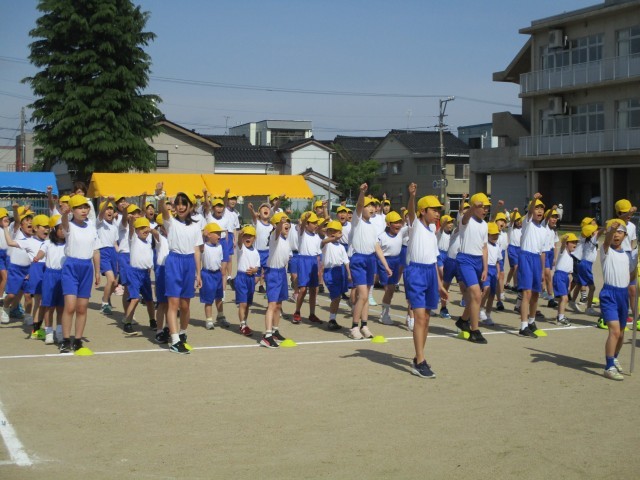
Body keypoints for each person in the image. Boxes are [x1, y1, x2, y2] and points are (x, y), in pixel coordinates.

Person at [405, 183, 447, 378]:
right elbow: (411, 212)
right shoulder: (414, 225)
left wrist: (440, 284)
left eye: (439, 210)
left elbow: (433, 259)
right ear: (423, 211)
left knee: (427, 318)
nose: (438, 213)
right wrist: (412, 196)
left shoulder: (432, 231)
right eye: (434, 210)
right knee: (420, 317)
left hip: (430, 273)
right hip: (415, 272)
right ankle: (420, 361)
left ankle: (418, 357)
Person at [155, 183, 203, 354]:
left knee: (185, 305)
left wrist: (198, 273)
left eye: (184, 203)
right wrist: (161, 197)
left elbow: (197, 250)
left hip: (189, 263)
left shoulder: (196, 226)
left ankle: (182, 334)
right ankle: (174, 340)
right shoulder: (171, 222)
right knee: (173, 303)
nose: (181, 207)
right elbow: (163, 210)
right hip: (174, 261)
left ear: (191, 206)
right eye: (178, 204)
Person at [348, 184, 392, 340]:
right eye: (368, 206)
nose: (371, 208)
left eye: (373, 205)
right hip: (358, 259)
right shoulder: (357, 220)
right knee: (363, 295)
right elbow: (359, 205)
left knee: (366, 295)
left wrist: (386, 266)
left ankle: (364, 325)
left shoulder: (373, 227)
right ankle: (354, 327)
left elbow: (377, 248)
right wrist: (362, 192)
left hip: (370, 259)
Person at [58, 196, 100, 353]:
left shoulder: (91, 227)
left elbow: (96, 250)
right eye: (79, 208)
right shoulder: (69, 225)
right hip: (71, 266)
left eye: (85, 207)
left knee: (82, 308)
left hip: (87, 267)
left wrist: (97, 271)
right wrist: (64, 214)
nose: (83, 210)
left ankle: (77, 340)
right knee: (70, 306)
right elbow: (64, 224)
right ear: (72, 210)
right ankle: (65, 340)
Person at [600, 218, 633, 381]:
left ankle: (614, 358)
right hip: (609, 294)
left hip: (623, 295)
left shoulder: (627, 256)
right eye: (614, 232)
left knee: (621, 333)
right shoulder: (606, 250)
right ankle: (609, 367)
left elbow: (630, 276)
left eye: (620, 232)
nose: (616, 235)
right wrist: (610, 230)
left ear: (625, 236)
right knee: (614, 330)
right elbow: (607, 240)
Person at [455, 192, 490, 344]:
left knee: (476, 296)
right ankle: (474, 330)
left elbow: (484, 247)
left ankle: (463, 321)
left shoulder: (485, 225)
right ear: (474, 207)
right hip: (465, 260)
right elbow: (465, 217)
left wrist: (485, 268)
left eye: (487, 207)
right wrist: (471, 208)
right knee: (476, 294)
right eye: (482, 207)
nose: (485, 210)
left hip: (478, 261)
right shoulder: (466, 221)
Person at [515, 194, 547, 338]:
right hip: (526, 257)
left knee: (535, 293)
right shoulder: (527, 222)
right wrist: (533, 200)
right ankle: (523, 325)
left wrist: (542, 271)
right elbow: (529, 211)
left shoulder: (544, 230)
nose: (539, 211)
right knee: (526, 292)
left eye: (541, 209)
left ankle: (532, 322)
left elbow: (542, 252)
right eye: (536, 208)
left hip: (536, 260)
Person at [261, 212, 293, 348]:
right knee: (272, 305)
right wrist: (280, 223)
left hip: (281, 272)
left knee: (279, 305)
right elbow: (278, 229)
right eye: (284, 222)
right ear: (276, 225)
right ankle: (267, 336)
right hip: (273, 273)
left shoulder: (286, 240)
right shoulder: (275, 236)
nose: (287, 224)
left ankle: (275, 331)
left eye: (288, 222)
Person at [34, 215, 66, 345]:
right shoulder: (47, 243)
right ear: (54, 229)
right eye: (61, 228)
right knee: (49, 306)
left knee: (61, 307)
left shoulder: (69, 244)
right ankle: (48, 332)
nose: (63, 231)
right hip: (50, 275)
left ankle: (59, 331)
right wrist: (37, 257)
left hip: (64, 275)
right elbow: (42, 252)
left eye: (65, 229)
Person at [123, 217, 155, 335]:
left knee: (149, 300)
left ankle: (152, 321)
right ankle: (127, 322)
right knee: (135, 298)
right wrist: (132, 220)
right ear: (136, 230)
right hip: (134, 272)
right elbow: (131, 230)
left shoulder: (148, 242)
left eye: (146, 228)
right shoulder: (134, 239)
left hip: (145, 273)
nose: (144, 230)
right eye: (141, 228)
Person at [293, 211, 323, 324]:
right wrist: (305, 219)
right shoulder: (302, 233)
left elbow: (318, 255)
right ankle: (297, 312)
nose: (316, 224)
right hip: (303, 260)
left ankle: (312, 314)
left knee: (313, 290)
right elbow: (301, 226)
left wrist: (319, 268)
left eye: (316, 222)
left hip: (313, 261)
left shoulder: (316, 236)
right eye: (313, 223)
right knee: (303, 289)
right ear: (306, 224)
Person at [321, 220, 351, 331]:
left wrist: (349, 273)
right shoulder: (326, 244)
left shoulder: (341, 247)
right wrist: (332, 238)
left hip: (340, 271)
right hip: (329, 272)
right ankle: (331, 320)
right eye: (331, 231)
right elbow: (323, 242)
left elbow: (346, 261)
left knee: (338, 297)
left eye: (336, 231)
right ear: (327, 232)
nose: (333, 233)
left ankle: (333, 319)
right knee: (336, 297)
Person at [377, 211, 404, 325]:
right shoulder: (381, 237)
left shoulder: (401, 233)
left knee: (391, 289)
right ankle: (384, 314)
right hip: (385, 262)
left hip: (396, 261)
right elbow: (376, 251)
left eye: (399, 222)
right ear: (388, 224)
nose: (398, 225)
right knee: (389, 288)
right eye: (395, 223)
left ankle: (385, 313)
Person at [235, 225, 260, 337]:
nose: (248, 238)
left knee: (248, 304)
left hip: (251, 279)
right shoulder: (241, 248)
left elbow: (257, 267)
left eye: (250, 236)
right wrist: (240, 234)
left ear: (254, 238)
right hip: (241, 277)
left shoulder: (256, 252)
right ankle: (242, 324)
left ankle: (244, 322)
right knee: (243, 303)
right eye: (246, 236)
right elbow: (239, 242)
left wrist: (255, 270)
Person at [96, 198, 119, 315]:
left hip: (113, 252)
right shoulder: (99, 223)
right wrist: (107, 201)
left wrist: (119, 255)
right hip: (103, 252)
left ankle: (107, 298)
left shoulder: (114, 226)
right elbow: (100, 214)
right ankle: (104, 304)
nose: (109, 211)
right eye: (107, 209)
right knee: (110, 279)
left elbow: (115, 243)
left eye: (111, 209)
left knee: (115, 282)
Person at [200, 222, 225, 331]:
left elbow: (221, 260)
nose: (219, 236)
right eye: (217, 233)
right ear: (209, 235)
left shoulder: (219, 246)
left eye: (220, 233)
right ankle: (209, 320)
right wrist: (203, 235)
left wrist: (222, 273)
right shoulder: (204, 246)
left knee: (219, 297)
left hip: (217, 274)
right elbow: (199, 246)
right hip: (207, 274)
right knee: (208, 299)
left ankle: (221, 316)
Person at [553, 233, 579, 326]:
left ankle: (560, 316)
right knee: (564, 298)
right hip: (559, 276)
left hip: (565, 277)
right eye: (572, 242)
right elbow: (563, 245)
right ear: (567, 244)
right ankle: (561, 318)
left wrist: (569, 285)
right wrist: (564, 240)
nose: (574, 244)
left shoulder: (571, 257)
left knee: (564, 298)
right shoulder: (563, 251)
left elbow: (570, 274)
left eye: (575, 242)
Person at [479, 222, 501, 326]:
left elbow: (497, 261)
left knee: (492, 294)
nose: (495, 236)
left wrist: (498, 272)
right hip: (486, 268)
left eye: (496, 234)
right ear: (487, 235)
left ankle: (488, 315)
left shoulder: (497, 246)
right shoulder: (485, 245)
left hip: (494, 270)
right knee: (486, 289)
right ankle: (480, 309)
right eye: (493, 234)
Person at [436, 214, 454, 318]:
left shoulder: (452, 234)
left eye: (451, 222)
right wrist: (442, 225)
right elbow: (441, 229)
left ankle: (440, 293)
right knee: (441, 272)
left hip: (448, 255)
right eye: (448, 223)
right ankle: (438, 292)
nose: (450, 224)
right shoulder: (440, 232)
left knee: (445, 279)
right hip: (439, 255)